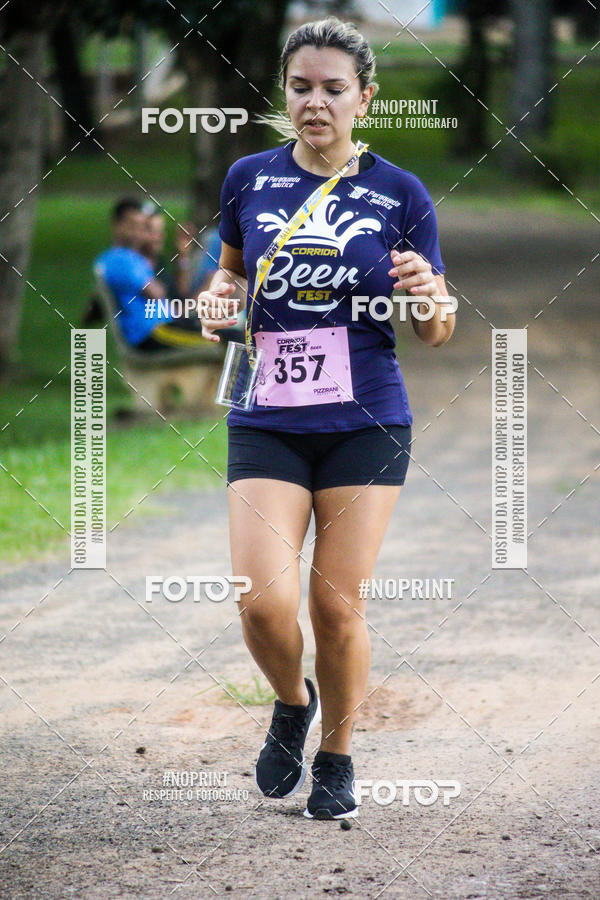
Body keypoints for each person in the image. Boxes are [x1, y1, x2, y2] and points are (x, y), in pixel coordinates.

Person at [198, 17, 455, 820]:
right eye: (301, 87)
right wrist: (215, 300)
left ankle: (338, 755)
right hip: (268, 413)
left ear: (364, 99)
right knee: (260, 601)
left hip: (365, 419)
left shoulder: (401, 193)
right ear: (285, 92)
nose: (315, 103)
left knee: (336, 607)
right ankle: (291, 702)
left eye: (333, 90)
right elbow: (228, 281)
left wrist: (430, 299)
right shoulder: (248, 178)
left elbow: (437, 326)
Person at [93, 198, 237, 351]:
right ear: (118, 225)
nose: (137, 233)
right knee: (230, 340)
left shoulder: (130, 260)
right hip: (155, 332)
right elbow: (156, 293)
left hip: (166, 326)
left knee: (232, 336)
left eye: (142, 227)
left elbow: (172, 294)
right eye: (133, 226)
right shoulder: (122, 259)